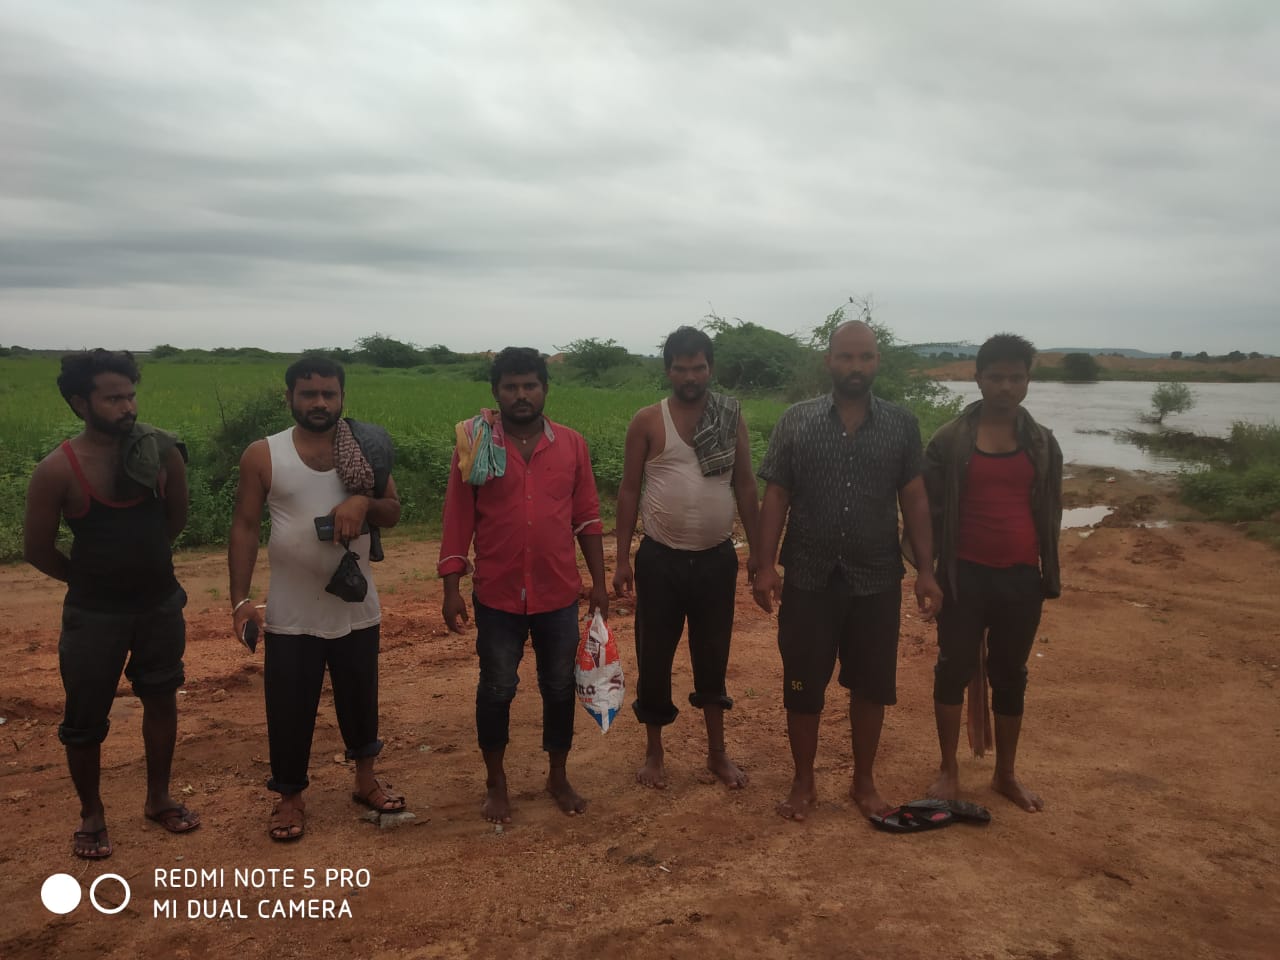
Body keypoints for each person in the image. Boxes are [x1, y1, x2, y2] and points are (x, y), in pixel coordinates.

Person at [752, 320, 943, 821]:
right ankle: (803, 783)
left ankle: (864, 782)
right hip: (809, 576)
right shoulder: (796, 420)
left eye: (865, 358)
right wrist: (765, 564)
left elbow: (915, 498)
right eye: (846, 357)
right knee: (802, 682)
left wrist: (926, 569)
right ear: (829, 361)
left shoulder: (902, 425)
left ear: (877, 362)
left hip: (876, 578)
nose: (855, 367)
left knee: (871, 684)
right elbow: (776, 494)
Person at [23, 349, 200, 859]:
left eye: (131, 395)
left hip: (159, 605)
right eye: (113, 398)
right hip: (93, 616)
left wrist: (143, 569)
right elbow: (37, 549)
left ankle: (159, 798)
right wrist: (90, 582)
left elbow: (174, 521)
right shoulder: (57, 470)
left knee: (162, 695)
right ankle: (92, 814)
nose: (128, 407)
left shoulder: (159, 451)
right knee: (84, 718)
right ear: (81, 402)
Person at [228, 356, 404, 842]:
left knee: (360, 697)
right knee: (288, 706)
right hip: (291, 609)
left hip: (355, 605)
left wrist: (363, 501)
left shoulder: (366, 449)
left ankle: (365, 780)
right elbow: (243, 527)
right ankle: (289, 798)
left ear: (342, 397)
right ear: (290, 399)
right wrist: (239, 600)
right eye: (309, 394)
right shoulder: (264, 455)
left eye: (329, 393)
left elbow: (392, 511)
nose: (320, 402)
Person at [439, 347, 608, 824]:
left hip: (558, 593)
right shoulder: (476, 443)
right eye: (510, 386)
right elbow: (458, 518)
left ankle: (558, 775)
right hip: (497, 593)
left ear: (544, 390)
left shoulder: (572, 444)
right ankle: (496, 783)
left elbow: (588, 517)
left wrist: (598, 582)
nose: (520, 395)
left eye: (530, 385)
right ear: (496, 391)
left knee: (559, 688)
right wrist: (452, 587)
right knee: (496, 689)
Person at [613, 326, 759, 790]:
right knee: (653, 657)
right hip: (660, 561)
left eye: (698, 366)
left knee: (713, 657)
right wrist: (620, 560)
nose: (690, 375)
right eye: (681, 367)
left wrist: (759, 553)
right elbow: (629, 490)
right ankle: (655, 753)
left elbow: (746, 486)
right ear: (668, 370)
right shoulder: (647, 421)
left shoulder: (729, 416)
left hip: (717, 562)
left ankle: (718, 755)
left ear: (710, 368)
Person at [922, 333, 1062, 812]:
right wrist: (929, 572)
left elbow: (1052, 512)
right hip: (964, 576)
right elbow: (928, 513)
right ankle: (948, 768)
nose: (1006, 386)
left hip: (1021, 577)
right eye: (996, 376)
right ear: (977, 378)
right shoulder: (949, 440)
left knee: (1010, 674)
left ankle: (1005, 774)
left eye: (1016, 377)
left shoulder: (1043, 443)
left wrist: (1049, 572)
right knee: (952, 669)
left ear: (1027, 381)